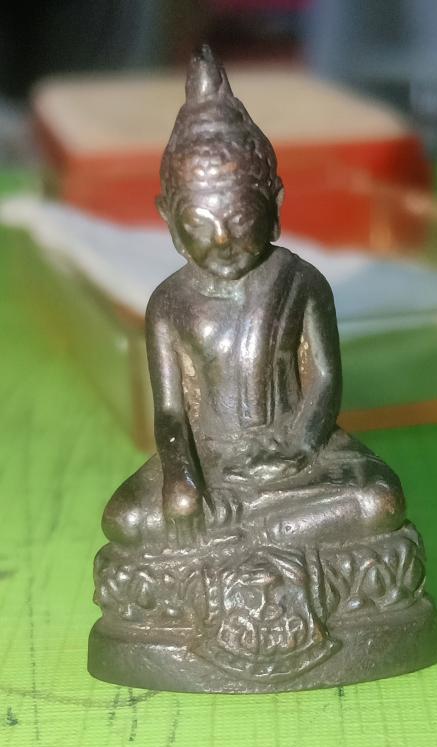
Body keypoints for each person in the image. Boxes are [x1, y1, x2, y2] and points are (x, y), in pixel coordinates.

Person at [103, 45, 405, 551]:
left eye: (241, 218)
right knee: (126, 520)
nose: (222, 241)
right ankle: (272, 532)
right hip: (209, 460)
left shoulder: (301, 282)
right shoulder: (169, 304)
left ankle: (249, 534)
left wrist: (299, 445)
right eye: (199, 224)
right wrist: (181, 478)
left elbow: (324, 379)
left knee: (378, 500)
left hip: (295, 459)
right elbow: (172, 413)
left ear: (275, 206)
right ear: (169, 222)